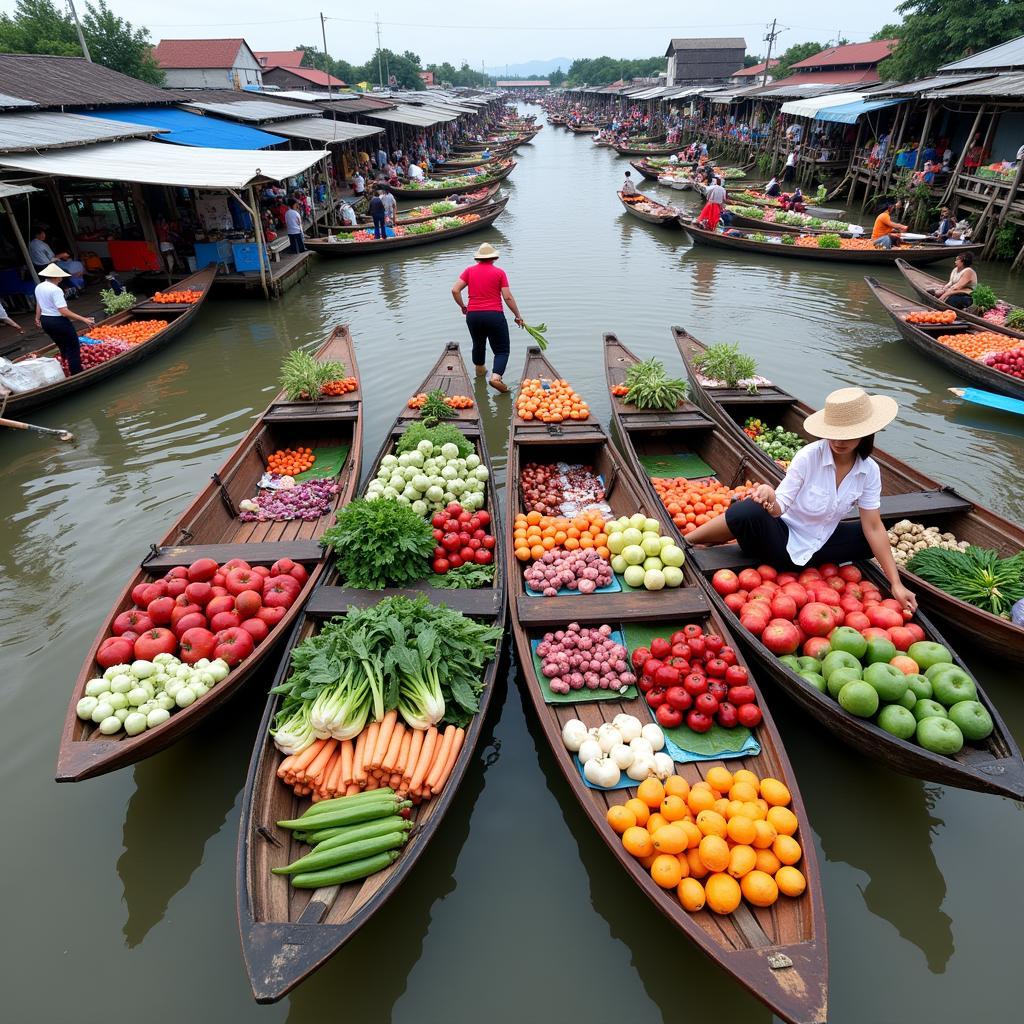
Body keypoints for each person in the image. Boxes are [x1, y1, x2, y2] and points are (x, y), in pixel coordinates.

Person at [684, 386, 917, 614]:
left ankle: (789, 562)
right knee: (747, 510)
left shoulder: (869, 471)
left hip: (820, 546)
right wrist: (768, 495)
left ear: (866, 432)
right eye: (833, 432)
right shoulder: (809, 456)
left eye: (847, 434)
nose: (838, 440)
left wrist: (895, 583)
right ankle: (692, 539)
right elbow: (780, 506)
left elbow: (873, 526)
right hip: (781, 540)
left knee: (869, 537)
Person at [451, 242, 524, 394]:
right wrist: (517, 315)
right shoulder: (499, 273)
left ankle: (480, 374)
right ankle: (496, 378)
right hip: (494, 315)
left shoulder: (469, 271)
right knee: (502, 351)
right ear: (494, 258)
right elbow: (507, 297)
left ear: (478, 258)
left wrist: (463, 307)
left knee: (478, 344)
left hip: (474, 316)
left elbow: (455, 290)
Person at [33, 263, 94, 376]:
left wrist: (37, 318)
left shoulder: (39, 286)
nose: (62, 277)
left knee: (62, 345)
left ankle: (64, 369)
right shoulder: (56, 290)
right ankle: (77, 374)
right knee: (73, 347)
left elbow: (39, 304)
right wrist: (83, 319)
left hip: (46, 321)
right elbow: (63, 311)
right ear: (57, 277)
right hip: (58, 321)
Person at [29, 227, 85, 294]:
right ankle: (73, 289)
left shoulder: (30, 244)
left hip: (38, 268)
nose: (44, 235)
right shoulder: (42, 244)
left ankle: (72, 289)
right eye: (42, 233)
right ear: (37, 235)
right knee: (66, 273)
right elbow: (52, 258)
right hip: (47, 266)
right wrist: (62, 255)